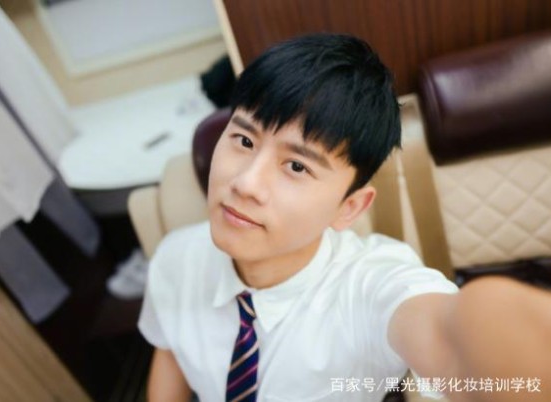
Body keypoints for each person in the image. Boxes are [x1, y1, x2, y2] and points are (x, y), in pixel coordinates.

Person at [138, 33, 551, 402]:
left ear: (348, 208)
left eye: (296, 166)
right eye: (244, 140)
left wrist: (486, 325)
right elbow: (172, 352)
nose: (245, 183)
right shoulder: (176, 259)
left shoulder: (368, 286)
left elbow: (444, 335)